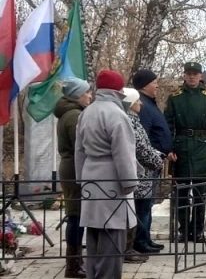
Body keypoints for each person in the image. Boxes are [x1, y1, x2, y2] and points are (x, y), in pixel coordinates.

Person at [74, 69, 138, 279]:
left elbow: (79, 151)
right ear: (118, 92)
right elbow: (123, 152)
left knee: (93, 239)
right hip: (112, 180)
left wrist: (80, 180)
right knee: (112, 240)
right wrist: (129, 183)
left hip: (90, 178)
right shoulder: (117, 115)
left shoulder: (86, 112)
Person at [165, 62, 206, 244]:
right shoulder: (175, 98)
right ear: (184, 75)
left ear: (200, 76)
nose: (191, 77)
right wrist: (169, 149)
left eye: (195, 74)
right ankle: (184, 230)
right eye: (188, 73)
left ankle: (198, 231)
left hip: (203, 149)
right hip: (181, 148)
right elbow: (168, 126)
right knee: (182, 193)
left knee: (199, 193)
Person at [121, 88, 166, 257]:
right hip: (141, 173)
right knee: (142, 209)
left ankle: (144, 239)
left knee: (145, 208)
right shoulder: (129, 121)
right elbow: (139, 148)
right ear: (131, 104)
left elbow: (144, 145)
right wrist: (156, 161)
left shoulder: (133, 119)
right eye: (137, 101)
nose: (140, 103)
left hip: (145, 172)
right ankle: (139, 242)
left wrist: (156, 154)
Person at [56, 78, 93, 278]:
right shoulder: (74, 116)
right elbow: (81, 146)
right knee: (76, 216)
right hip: (74, 169)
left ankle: (76, 260)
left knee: (76, 215)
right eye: (86, 92)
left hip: (70, 167)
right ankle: (73, 264)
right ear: (77, 94)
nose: (90, 95)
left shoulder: (71, 113)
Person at [130, 69, 170, 252]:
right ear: (145, 85)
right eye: (155, 82)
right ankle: (141, 241)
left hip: (154, 161)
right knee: (143, 205)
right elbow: (142, 138)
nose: (157, 85)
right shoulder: (142, 106)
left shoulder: (148, 103)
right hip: (146, 164)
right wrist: (155, 156)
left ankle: (146, 238)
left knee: (148, 203)